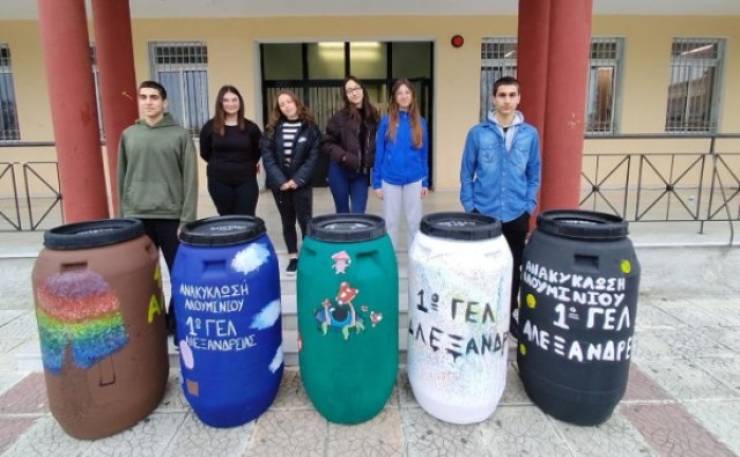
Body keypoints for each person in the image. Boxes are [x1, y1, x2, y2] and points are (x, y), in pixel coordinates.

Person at [459, 76, 541, 329]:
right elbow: (466, 172)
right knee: (482, 267)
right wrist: (470, 206)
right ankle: (483, 314)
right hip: (484, 212)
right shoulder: (478, 133)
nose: (507, 101)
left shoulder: (530, 134)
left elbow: (534, 172)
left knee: (514, 264)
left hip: (517, 211)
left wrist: (529, 205)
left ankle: (508, 315)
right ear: (493, 98)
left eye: (511, 95)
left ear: (519, 98)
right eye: (502, 95)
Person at [117, 80, 198, 334]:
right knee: (141, 277)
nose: (149, 102)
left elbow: (191, 179)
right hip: (137, 217)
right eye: (144, 97)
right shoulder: (129, 135)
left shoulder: (180, 135)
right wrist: (124, 218)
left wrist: (186, 219)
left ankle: (175, 321)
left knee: (180, 274)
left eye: (154, 97)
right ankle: (152, 323)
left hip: (171, 217)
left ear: (165, 102)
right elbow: (121, 176)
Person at [261, 90, 321, 275]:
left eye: (289, 101)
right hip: (280, 186)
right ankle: (293, 257)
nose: (286, 106)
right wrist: (281, 181)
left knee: (305, 221)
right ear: (278, 108)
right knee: (287, 222)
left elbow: (313, 156)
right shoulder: (272, 130)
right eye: (282, 104)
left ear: (296, 103)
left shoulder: (310, 128)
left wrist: (297, 180)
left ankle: (309, 255)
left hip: (301, 184)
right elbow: (268, 157)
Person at [372, 79, 429, 249]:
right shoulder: (386, 121)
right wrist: (377, 182)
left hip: (414, 179)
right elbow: (379, 152)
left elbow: (424, 153)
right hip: (390, 179)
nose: (403, 96)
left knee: (414, 223)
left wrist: (425, 181)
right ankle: (390, 262)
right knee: (391, 223)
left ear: (412, 96)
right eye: (399, 93)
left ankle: (415, 260)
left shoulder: (421, 122)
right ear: (394, 97)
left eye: (407, 92)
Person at [199, 85, 262, 216]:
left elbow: (258, 151)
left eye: (234, 99)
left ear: (240, 102)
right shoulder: (210, 127)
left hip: (246, 180)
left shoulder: (251, 127)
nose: (231, 104)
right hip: (219, 181)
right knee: (227, 219)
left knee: (247, 219)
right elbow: (205, 152)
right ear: (220, 103)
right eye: (226, 100)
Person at [322, 76, 379, 214]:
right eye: (349, 91)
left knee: (358, 214)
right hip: (339, 171)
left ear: (362, 90)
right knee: (342, 213)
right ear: (345, 95)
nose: (354, 93)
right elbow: (326, 143)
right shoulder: (339, 117)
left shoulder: (373, 116)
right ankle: (343, 235)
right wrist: (344, 157)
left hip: (361, 174)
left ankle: (356, 236)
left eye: (356, 88)